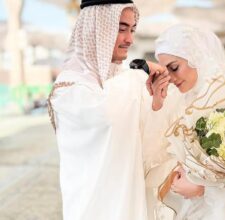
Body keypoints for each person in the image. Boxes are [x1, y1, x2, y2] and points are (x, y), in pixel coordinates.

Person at [47, 1, 169, 219]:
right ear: (96, 29)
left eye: (132, 30)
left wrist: (155, 105)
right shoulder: (68, 88)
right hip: (93, 208)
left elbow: (139, 144)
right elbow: (104, 112)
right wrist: (142, 70)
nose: (129, 39)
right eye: (121, 29)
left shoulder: (121, 82)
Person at [145, 24, 225, 220]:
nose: (170, 78)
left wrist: (203, 187)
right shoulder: (181, 99)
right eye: (165, 71)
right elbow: (158, 151)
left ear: (196, 58)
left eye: (174, 67)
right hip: (189, 206)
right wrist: (157, 104)